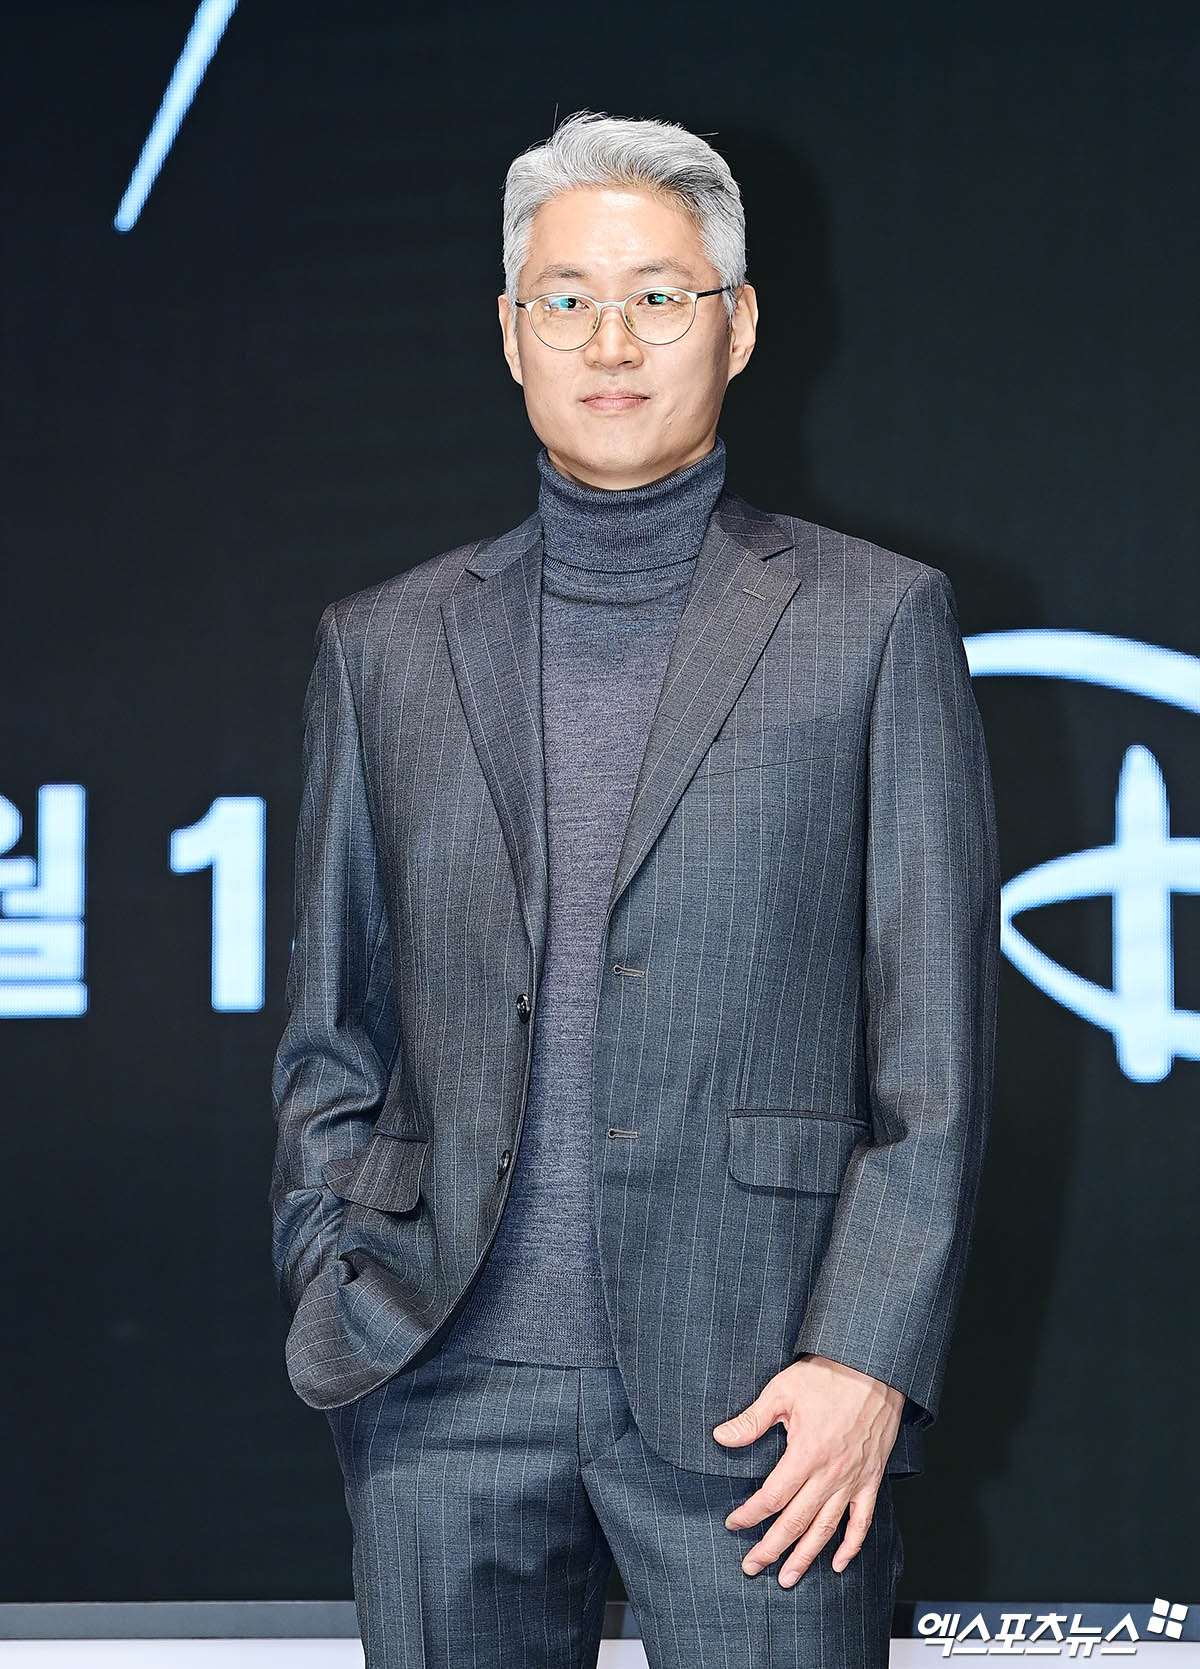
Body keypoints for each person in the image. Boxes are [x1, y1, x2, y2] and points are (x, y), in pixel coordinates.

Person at [269, 107, 1001, 1669]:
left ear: (738, 325)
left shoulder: (874, 622)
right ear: (510, 332)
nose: (611, 340)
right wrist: (341, 1281)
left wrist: (867, 1358)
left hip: (770, 1398)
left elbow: (932, 1056)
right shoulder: (382, 645)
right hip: (439, 1386)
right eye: (568, 297)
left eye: (659, 295)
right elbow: (333, 1033)